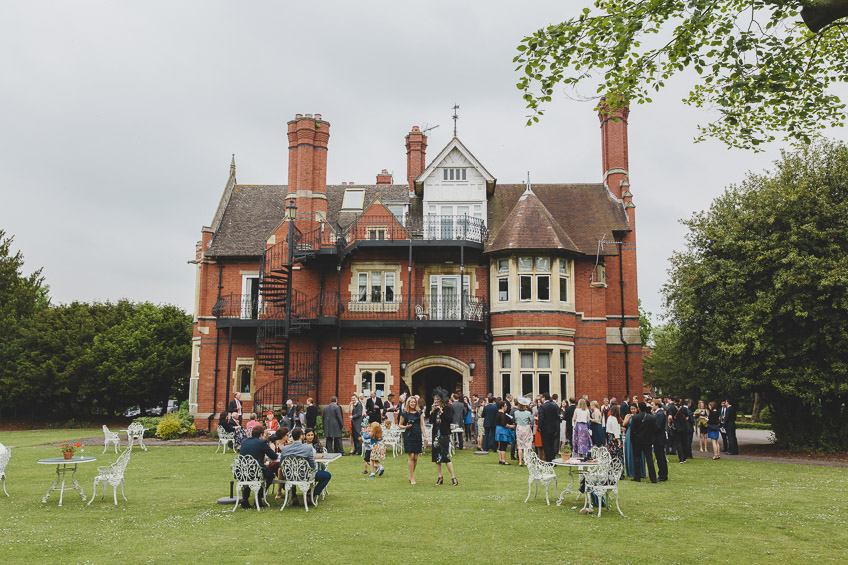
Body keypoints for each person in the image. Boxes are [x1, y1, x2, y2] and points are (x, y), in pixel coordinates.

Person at [280, 428, 331, 505]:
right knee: (327, 475)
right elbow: (313, 465)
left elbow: (281, 464)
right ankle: (311, 495)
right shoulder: (307, 448)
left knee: (286, 473)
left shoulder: (285, 448)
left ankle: (294, 496)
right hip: (305, 476)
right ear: (301, 436)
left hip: (290, 476)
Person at [237, 424, 277, 508]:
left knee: (249, 476)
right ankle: (259, 497)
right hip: (255, 471)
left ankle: (245, 498)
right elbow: (274, 456)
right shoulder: (262, 442)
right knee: (270, 475)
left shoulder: (244, 441)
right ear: (261, 435)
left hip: (241, 471)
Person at [428, 388, 458, 485]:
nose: (436, 401)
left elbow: (450, 420)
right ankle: (440, 477)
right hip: (436, 434)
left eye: (437, 399)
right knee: (437, 457)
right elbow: (431, 421)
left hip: (444, 434)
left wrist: (442, 412)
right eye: (435, 399)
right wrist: (432, 412)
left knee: (445, 456)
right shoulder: (434, 409)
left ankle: (453, 477)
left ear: (442, 400)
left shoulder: (447, 409)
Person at [400, 396, 426, 485]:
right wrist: (406, 426)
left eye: (414, 402)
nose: (413, 403)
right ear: (408, 403)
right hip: (409, 434)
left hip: (417, 434)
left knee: (415, 457)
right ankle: (412, 477)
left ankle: (411, 475)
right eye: (411, 402)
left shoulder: (419, 412)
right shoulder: (405, 413)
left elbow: (422, 425)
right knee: (411, 456)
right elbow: (400, 425)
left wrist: (425, 436)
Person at [630, 402, 657, 483]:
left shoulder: (635, 418)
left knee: (637, 459)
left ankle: (637, 477)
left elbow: (632, 431)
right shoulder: (651, 418)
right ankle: (653, 477)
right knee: (649, 459)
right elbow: (654, 430)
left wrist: (632, 440)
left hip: (637, 441)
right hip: (648, 441)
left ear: (639, 408)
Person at [538, 392, 560, 462]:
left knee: (546, 445)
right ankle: (553, 459)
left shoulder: (542, 406)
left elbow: (541, 418)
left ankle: (548, 460)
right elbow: (557, 416)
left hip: (545, 428)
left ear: (544, 398)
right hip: (553, 428)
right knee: (552, 444)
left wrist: (539, 427)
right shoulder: (554, 405)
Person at [651, 399, 669, 482]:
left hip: (659, 438)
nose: (651, 406)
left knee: (660, 456)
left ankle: (662, 475)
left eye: (652, 404)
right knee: (659, 456)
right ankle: (662, 473)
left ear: (657, 405)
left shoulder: (659, 414)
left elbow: (658, 427)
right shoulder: (658, 414)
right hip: (658, 438)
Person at [494, 400, 515, 465]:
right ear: (502, 407)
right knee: (504, 445)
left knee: (501, 445)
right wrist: (511, 426)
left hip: (498, 429)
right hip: (503, 430)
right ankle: (503, 460)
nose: (506, 407)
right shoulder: (502, 414)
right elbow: (504, 424)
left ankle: (501, 459)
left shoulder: (497, 413)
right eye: (505, 406)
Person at [514, 397, 533, 466]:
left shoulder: (516, 412)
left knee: (519, 446)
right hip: (526, 428)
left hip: (519, 428)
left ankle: (520, 461)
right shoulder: (528, 413)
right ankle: (526, 461)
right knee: (526, 444)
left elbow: (515, 420)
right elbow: (532, 421)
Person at [605, 404, 624, 473]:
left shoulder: (609, 418)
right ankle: (618, 471)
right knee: (617, 456)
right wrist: (619, 441)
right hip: (614, 439)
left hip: (610, 437)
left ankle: (611, 470)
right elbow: (616, 431)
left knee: (611, 455)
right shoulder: (615, 419)